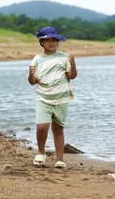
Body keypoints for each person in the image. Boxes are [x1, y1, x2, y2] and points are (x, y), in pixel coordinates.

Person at [28, 26, 77, 168]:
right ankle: (41, 152)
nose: (51, 43)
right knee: (42, 126)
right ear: (41, 42)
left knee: (58, 128)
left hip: (61, 98)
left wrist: (73, 65)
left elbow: (71, 76)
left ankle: (59, 159)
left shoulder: (63, 57)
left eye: (54, 40)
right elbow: (32, 81)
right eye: (47, 40)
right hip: (43, 98)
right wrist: (31, 73)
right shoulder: (37, 59)